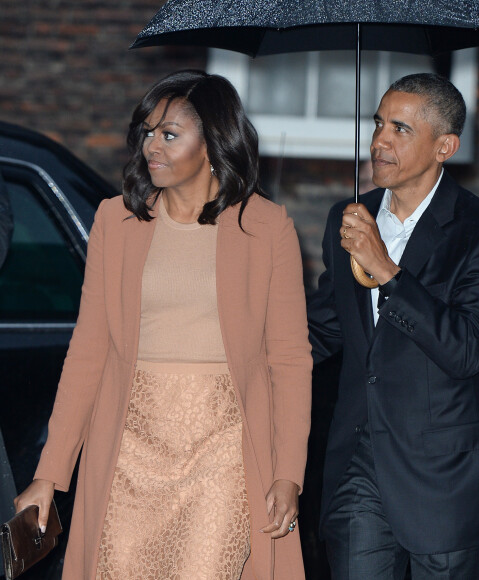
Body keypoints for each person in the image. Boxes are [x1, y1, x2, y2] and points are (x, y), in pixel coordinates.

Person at [14, 70, 312, 580]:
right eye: (147, 132)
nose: (152, 145)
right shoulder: (117, 220)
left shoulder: (266, 227)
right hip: (129, 449)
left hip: (223, 452)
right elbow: (88, 351)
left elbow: (289, 360)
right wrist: (50, 473)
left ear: (214, 143)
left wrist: (288, 474)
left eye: (169, 134)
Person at [307, 73, 479, 579]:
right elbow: (324, 330)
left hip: (447, 481)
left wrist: (386, 271)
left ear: (444, 146)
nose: (380, 139)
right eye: (379, 123)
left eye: (401, 129)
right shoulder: (348, 217)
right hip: (358, 469)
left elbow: (468, 349)